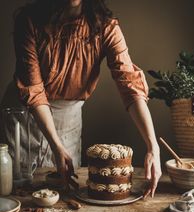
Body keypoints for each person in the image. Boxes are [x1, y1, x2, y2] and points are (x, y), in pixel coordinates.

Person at [9, 0, 161, 198]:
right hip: (26, 117)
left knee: (62, 198)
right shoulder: (29, 20)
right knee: (19, 195)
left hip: (68, 120)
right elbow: (34, 90)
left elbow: (129, 85)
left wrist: (153, 147)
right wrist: (56, 145)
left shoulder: (105, 26)